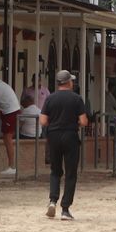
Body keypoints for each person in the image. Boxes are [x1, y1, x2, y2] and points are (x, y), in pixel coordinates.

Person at [40, 70, 89, 220]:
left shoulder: (50, 99)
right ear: (68, 82)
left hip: (53, 136)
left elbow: (43, 121)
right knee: (70, 173)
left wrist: (53, 123)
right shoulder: (76, 99)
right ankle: (65, 208)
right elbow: (83, 121)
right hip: (70, 136)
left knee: (55, 170)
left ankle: (52, 201)